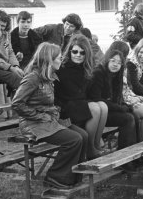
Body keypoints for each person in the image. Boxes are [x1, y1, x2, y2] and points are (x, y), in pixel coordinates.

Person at [12, 42, 87, 189]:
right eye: (59, 57)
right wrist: (39, 116)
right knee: (74, 139)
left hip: (49, 120)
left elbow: (47, 102)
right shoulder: (33, 78)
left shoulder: (50, 76)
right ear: (49, 59)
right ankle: (55, 177)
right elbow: (17, 104)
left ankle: (72, 177)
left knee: (83, 135)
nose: (62, 60)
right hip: (33, 124)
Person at [55, 34, 107, 159]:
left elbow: (91, 94)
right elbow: (57, 95)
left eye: (82, 52)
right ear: (70, 51)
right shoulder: (61, 68)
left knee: (103, 106)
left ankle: (95, 143)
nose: (78, 55)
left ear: (87, 54)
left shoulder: (87, 68)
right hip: (66, 106)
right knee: (95, 108)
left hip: (80, 104)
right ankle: (89, 148)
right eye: (75, 51)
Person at [88, 49, 137, 149]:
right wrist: (119, 108)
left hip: (109, 109)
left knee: (134, 116)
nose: (115, 64)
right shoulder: (98, 73)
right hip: (98, 113)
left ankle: (135, 150)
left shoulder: (116, 75)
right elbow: (96, 98)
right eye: (113, 60)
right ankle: (124, 153)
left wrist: (124, 106)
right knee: (128, 119)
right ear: (107, 60)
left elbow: (117, 98)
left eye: (119, 63)